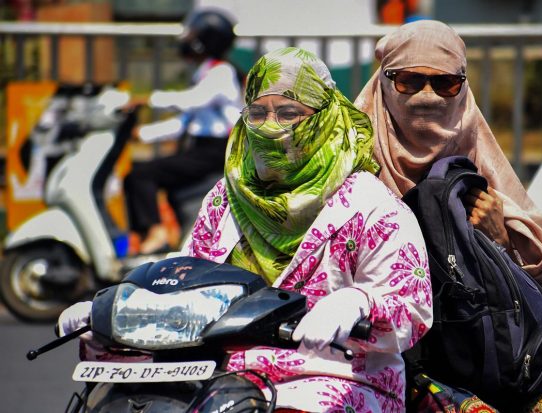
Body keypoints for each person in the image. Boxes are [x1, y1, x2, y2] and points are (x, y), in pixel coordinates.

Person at [59, 47, 434, 412]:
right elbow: (186, 276)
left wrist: (359, 303)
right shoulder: (227, 197)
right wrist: (115, 309)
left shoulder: (372, 206)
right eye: (258, 113)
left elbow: (413, 310)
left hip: (329, 376)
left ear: (323, 118)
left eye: (289, 113)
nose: (271, 127)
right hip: (212, 374)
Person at [354, 19, 542, 412]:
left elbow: (539, 285)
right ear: (384, 81)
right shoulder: (351, 167)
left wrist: (498, 238)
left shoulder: (479, 169)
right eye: (408, 81)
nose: (427, 96)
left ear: (463, 88)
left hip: (482, 355)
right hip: (382, 354)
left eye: (445, 84)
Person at [124, 8, 243, 254]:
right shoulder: (206, 72)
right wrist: (142, 134)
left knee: (142, 175)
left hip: (218, 150)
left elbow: (194, 100)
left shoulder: (221, 72)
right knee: (160, 182)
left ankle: (156, 233)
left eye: (193, 34)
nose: (187, 39)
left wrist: (147, 98)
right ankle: (171, 240)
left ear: (204, 41)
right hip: (204, 147)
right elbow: (184, 122)